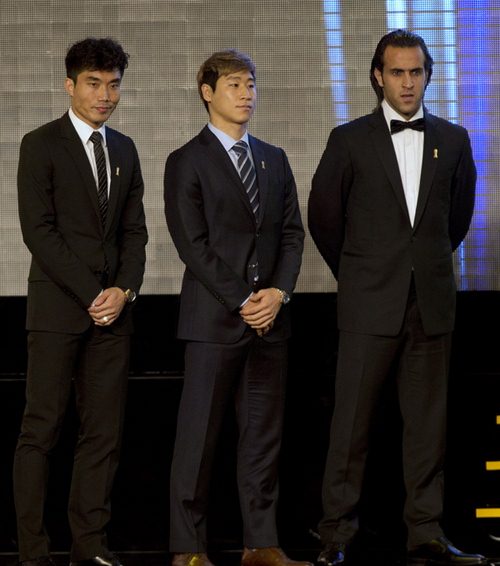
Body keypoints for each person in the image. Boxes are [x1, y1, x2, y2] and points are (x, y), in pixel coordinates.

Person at [308, 30, 485, 565]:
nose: (407, 82)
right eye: (397, 72)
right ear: (378, 77)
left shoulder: (454, 139)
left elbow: (456, 220)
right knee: (351, 426)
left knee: (428, 428)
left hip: (430, 304)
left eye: (416, 72)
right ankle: (336, 535)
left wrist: (419, 268)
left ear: (427, 76)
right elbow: (324, 219)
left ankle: (425, 533)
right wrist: (362, 275)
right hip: (368, 303)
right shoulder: (348, 139)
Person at [164, 49, 307, 566]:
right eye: (234, 85)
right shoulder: (186, 160)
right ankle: (188, 548)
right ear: (208, 93)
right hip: (213, 321)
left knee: (263, 440)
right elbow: (192, 244)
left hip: (270, 322)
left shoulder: (274, 157)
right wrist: (245, 299)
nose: (246, 94)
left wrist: (278, 293)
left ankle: (260, 543)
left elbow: (292, 235)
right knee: (198, 440)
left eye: (251, 84)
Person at [13, 37, 148, 566]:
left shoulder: (125, 149)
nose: (105, 95)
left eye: (113, 84)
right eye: (94, 83)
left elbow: (134, 233)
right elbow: (39, 232)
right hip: (57, 312)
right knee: (41, 431)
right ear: (70, 85)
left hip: (114, 316)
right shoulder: (40, 144)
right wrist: (94, 293)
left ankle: (89, 547)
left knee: (102, 435)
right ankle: (33, 552)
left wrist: (124, 291)